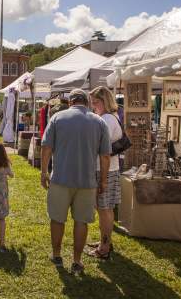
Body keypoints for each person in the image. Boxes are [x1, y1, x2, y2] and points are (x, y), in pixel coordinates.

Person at [40, 89, 111, 275]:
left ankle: (56, 255)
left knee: (57, 219)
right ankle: (77, 260)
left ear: (71, 102)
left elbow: (46, 147)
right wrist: (103, 181)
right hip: (87, 182)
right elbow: (105, 156)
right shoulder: (99, 122)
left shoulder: (57, 118)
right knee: (81, 222)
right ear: (87, 101)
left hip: (60, 179)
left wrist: (43, 172)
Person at [87, 86, 124, 259]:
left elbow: (101, 147)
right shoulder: (107, 117)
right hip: (105, 169)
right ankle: (105, 241)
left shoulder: (108, 119)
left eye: (96, 102)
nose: (93, 106)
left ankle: (105, 246)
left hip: (105, 170)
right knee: (103, 209)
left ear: (104, 101)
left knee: (105, 209)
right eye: (92, 103)